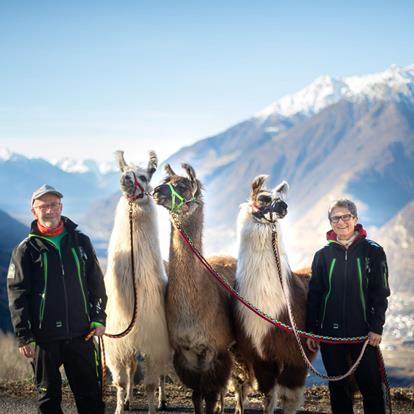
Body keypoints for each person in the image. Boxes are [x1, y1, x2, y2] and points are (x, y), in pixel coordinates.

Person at [7, 184, 107, 414]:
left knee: (91, 399)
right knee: (48, 401)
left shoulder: (81, 242)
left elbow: (96, 284)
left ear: (61, 207)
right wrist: (24, 336)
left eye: (54, 205)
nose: (49, 210)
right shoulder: (25, 249)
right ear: (34, 212)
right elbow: (17, 294)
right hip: (44, 339)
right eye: (43, 206)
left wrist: (99, 318)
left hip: (82, 334)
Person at [306, 199, 390, 414]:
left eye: (346, 217)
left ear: (355, 219)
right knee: (338, 388)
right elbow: (315, 295)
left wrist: (376, 327)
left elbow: (380, 293)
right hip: (330, 336)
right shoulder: (322, 255)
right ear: (330, 222)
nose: (341, 222)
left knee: (370, 388)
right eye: (336, 218)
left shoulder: (373, 252)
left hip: (363, 335)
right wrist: (312, 330)